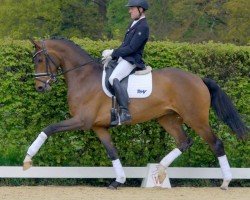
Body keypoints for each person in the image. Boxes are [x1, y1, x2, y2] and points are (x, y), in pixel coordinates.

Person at [102, 0, 150, 126]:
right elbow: (125, 45)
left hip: (132, 60)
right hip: (124, 58)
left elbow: (132, 48)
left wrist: (113, 52)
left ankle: (125, 112)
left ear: (140, 9)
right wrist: (112, 57)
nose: (130, 11)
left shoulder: (143, 26)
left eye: (132, 9)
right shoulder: (133, 23)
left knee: (114, 78)